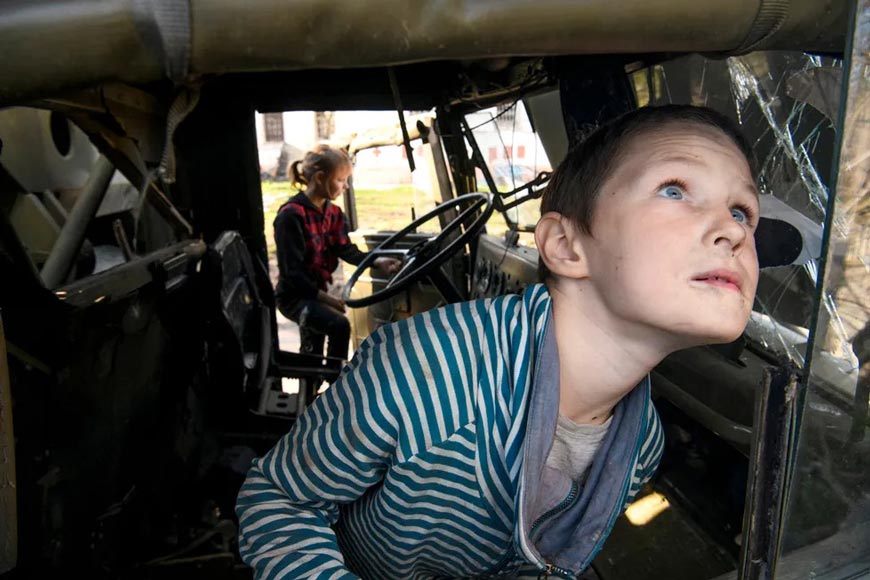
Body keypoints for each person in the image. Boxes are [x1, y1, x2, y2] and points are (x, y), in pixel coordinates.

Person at [237, 105, 781, 579]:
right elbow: (278, 500)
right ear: (566, 246)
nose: (734, 231)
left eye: (742, 210)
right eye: (674, 189)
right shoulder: (425, 372)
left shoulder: (640, 447)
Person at [273, 144, 401, 361]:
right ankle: (333, 382)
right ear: (321, 178)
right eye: (341, 180)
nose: (346, 186)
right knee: (338, 326)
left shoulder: (334, 214)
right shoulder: (290, 216)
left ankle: (319, 382)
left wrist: (377, 261)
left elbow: (345, 249)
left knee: (316, 341)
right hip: (293, 296)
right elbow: (293, 274)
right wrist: (328, 300)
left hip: (316, 291)